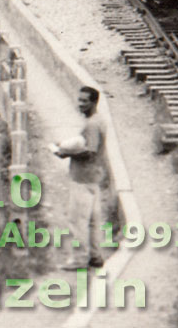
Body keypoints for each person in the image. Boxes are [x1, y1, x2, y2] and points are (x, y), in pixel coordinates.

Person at [54, 86, 108, 268]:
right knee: (93, 220)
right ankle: (95, 255)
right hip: (94, 176)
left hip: (82, 177)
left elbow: (90, 152)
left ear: (94, 102)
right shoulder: (99, 120)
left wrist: (65, 153)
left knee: (77, 220)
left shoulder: (91, 124)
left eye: (85, 101)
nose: (80, 104)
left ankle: (78, 258)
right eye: (79, 100)